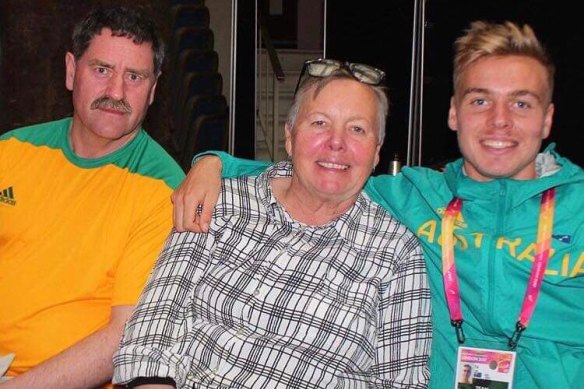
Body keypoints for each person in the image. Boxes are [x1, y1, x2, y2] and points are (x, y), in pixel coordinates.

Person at [170, 21, 584, 388]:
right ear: (454, 113)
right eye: (480, 101)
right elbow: (313, 169)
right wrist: (213, 162)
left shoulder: (579, 208)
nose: (499, 120)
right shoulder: (414, 196)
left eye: (521, 103)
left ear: (547, 119)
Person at [113, 59, 432, 388]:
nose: (337, 142)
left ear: (377, 151)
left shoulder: (397, 252)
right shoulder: (218, 203)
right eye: (320, 123)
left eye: (357, 129)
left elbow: (402, 382)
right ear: (290, 138)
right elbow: (153, 330)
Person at [0, 6, 184, 388]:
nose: (116, 92)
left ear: (153, 89)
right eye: (101, 70)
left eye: (134, 77)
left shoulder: (163, 190)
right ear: (71, 70)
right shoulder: (12, 150)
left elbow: (123, 338)